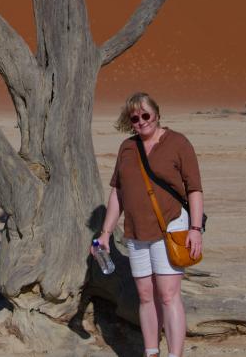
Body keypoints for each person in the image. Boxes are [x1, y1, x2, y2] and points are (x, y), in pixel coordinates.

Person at [93, 92, 204, 357]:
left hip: (172, 228)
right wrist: (106, 233)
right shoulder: (127, 148)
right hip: (135, 231)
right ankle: (151, 351)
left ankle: (174, 354)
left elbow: (195, 190)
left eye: (146, 115)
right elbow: (118, 193)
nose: (141, 121)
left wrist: (195, 229)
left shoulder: (178, 143)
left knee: (168, 294)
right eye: (135, 118)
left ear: (157, 114)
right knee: (145, 294)